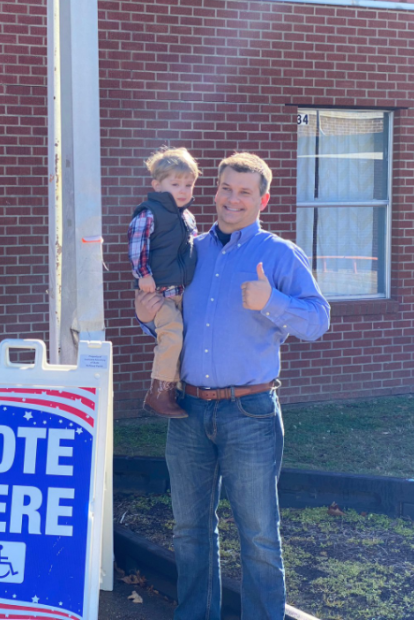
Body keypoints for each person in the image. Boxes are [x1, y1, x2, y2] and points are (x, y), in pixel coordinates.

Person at [136, 153, 330, 619]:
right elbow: (170, 319)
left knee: (259, 534)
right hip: (187, 409)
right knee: (190, 530)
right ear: (215, 190)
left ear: (262, 199)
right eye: (226, 188)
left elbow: (318, 320)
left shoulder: (278, 254)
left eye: (244, 192)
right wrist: (147, 318)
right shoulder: (191, 248)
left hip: (251, 412)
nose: (232, 199)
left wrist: (273, 300)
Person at [128, 147, 199, 418]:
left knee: (182, 338)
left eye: (188, 184)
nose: (183, 190)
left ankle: (177, 388)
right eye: (175, 184)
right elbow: (137, 244)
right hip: (157, 292)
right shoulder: (149, 213)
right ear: (157, 185)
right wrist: (142, 273)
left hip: (180, 292)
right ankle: (158, 393)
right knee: (170, 337)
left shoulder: (187, 217)